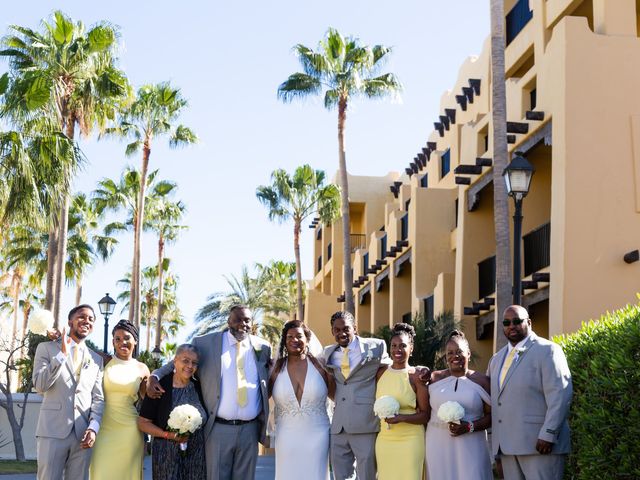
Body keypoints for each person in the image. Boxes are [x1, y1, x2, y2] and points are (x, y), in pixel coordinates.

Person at [147, 305, 272, 480]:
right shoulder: (205, 343)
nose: (242, 324)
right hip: (218, 429)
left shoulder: (263, 347)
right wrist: (154, 376)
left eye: (247, 320)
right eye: (237, 319)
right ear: (228, 321)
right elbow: (175, 363)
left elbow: (268, 378)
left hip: (250, 431)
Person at [488, 305, 572, 480]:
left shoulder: (548, 350)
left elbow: (560, 395)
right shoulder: (496, 360)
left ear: (529, 322)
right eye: (506, 322)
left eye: (517, 321)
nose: (512, 326)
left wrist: (549, 434)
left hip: (540, 446)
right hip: (507, 449)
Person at [32, 304, 104, 480]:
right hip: (52, 432)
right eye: (81, 316)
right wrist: (62, 355)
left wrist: (93, 428)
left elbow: (98, 398)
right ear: (70, 321)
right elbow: (40, 385)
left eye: (91, 319)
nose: (86, 321)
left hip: (83, 436)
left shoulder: (96, 359)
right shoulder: (46, 348)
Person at [321, 311, 389, 480]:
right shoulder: (328, 353)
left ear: (355, 329)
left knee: (367, 475)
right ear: (332, 332)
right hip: (338, 426)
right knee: (340, 476)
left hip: (365, 422)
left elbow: (391, 369)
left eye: (346, 328)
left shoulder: (376, 346)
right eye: (337, 330)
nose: (341, 333)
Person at [269, 320, 334, 480]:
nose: (294, 340)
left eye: (299, 336)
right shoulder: (276, 368)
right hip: (286, 436)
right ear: (284, 341)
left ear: (307, 339)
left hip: (318, 435)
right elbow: (262, 398)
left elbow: (338, 397)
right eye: (290, 336)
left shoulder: (321, 366)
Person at [425, 330, 492, 480]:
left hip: (472, 443)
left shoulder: (483, 381)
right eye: (450, 353)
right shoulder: (434, 378)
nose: (455, 356)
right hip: (437, 442)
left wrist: (469, 427)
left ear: (468, 353)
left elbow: (492, 417)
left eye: (459, 352)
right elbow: (424, 411)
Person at [90, 320, 150, 479]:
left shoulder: (142, 368)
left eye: (127, 338)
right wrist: (59, 337)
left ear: (135, 341)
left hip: (130, 431)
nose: (122, 342)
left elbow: (148, 400)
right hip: (102, 428)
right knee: (101, 473)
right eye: (117, 339)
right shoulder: (105, 360)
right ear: (113, 342)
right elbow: (81, 349)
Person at [138, 344, 207, 480]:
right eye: (185, 360)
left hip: (196, 454)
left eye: (194, 363)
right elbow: (142, 423)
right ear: (174, 361)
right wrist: (168, 435)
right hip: (166, 454)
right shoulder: (158, 387)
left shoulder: (199, 386)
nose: (190, 366)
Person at [374, 323, 428, 480]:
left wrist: (401, 418)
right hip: (385, 440)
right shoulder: (380, 373)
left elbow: (425, 415)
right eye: (394, 345)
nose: (397, 350)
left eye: (403, 345)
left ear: (411, 349)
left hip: (410, 441)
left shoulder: (416, 376)